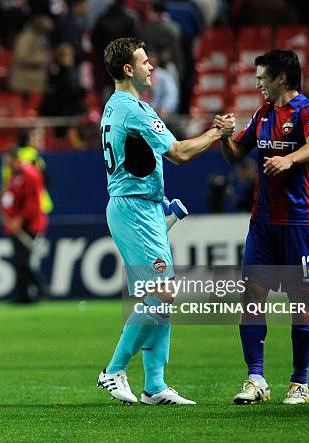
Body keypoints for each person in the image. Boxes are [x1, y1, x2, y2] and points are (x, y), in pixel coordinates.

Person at [96, 37, 234, 405]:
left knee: (161, 297)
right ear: (128, 70)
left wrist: (157, 197)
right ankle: (113, 370)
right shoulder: (136, 109)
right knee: (161, 294)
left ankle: (155, 385)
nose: (150, 67)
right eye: (144, 61)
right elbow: (179, 153)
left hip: (142, 206)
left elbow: (141, 159)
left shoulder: (113, 107)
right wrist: (217, 133)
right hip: (135, 210)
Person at [218, 49, 309, 405]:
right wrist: (224, 136)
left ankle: (299, 382)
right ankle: (256, 379)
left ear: (282, 78)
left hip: (300, 223)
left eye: (262, 78)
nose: (257, 83)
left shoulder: (307, 111)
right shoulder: (263, 114)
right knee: (251, 298)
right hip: (262, 223)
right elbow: (237, 153)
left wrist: (288, 159)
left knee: (300, 303)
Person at [0, 149, 48, 304]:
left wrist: (19, 218)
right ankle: (22, 295)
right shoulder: (14, 176)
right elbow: (11, 198)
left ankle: (41, 288)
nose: (6, 165)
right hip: (16, 225)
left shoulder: (30, 174)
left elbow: (33, 202)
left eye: (7, 161)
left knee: (22, 260)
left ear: (14, 159)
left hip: (29, 225)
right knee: (19, 261)